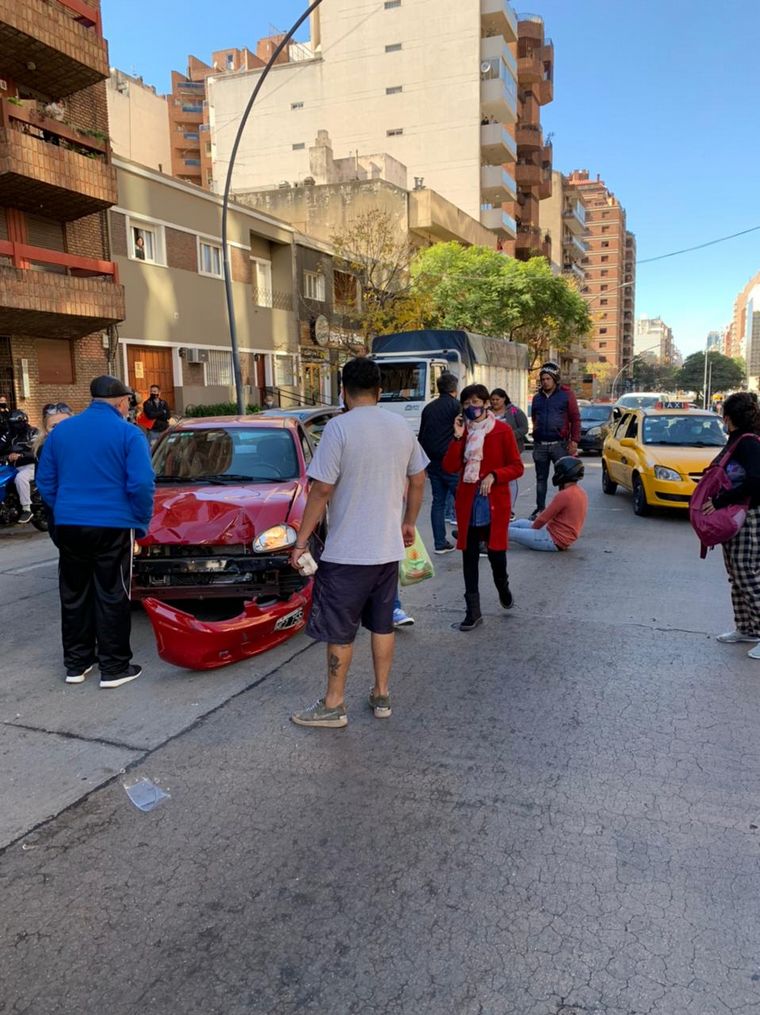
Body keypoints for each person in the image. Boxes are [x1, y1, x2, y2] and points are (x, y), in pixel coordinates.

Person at [289, 357, 428, 729]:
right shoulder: (400, 427)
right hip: (387, 551)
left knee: (340, 630)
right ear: (379, 391)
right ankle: (381, 694)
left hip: (347, 552)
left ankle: (334, 704)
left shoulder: (338, 429)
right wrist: (409, 522)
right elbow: (418, 479)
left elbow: (321, 490)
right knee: (383, 625)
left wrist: (300, 542)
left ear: (343, 391)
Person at [36, 376, 155, 688]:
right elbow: (142, 484)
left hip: (70, 524)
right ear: (119, 401)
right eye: (129, 401)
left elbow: (46, 482)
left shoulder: (62, 434)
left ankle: (77, 663)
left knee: (74, 593)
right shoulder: (129, 433)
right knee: (112, 593)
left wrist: (64, 508)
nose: (130, 407)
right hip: (113, 525)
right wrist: (140, 521)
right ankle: (114, 667)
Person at [443, 384, 524, 631]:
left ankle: (503, 586)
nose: (471, 407)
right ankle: (473, 611)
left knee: (496, 554)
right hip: (469, 500)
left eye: (476, 402)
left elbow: (517, 466)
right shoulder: (463, 432)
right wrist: (457, 437)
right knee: (469, 555)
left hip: (493, 502)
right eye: (466, 404)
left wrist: (494, 475)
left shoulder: (502, 431)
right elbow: (448, 466)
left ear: (487, 403)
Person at [703, 392, 760, 656]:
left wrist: (721, 499)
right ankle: (746, 626)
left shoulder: (749, 443)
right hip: (736, 515)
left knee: (747, 573)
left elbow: (754, 482)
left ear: (727, 418)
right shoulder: (739, 440)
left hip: (746, 515)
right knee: (736, 574)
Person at [530, 361, 581, 520]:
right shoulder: (537, 398)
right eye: (543, 379)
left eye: (548, 379)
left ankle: (563, 511)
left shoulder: (566, 395)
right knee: (540, 479)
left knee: (564, 479)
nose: (545, 382)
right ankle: (540, 509)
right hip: (540, 446)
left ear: (555, 379)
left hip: (560, 445)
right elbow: (534, 418)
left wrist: (575, 441)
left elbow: (575, 419)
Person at [418, 372, 460, 554]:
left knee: (438, 501)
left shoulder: (429, 408)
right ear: (454, 388)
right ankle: (472, 538)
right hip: (451, 460)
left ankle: (440, 542)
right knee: (463, 499)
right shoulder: (455, 406)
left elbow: (422, 435)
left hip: (432, 461)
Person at [509, 457, 587, 551]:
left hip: (554, 539)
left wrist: (533, 530)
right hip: (559, 534)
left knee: (510, 532)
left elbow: (543, 518)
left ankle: (489, 535)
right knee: (521, 522)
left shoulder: (565, 495)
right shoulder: (581, 492)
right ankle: (494, 528)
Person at [491, 388, 529, 519]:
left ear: (504, 399)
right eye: (493, 400)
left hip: (511, 450)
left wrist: (510, 436)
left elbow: (524, 428)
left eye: (498, 399)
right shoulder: (487, 412)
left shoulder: (514, 411)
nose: (495, 402)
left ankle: (510, 509)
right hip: (493, 452)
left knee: (511, 479)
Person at [4, 410, 38, 524]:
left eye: (16, 423)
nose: (14, 426)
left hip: (31, 466)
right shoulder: (9, 435)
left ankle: (26, 509)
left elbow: (37, 450)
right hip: (13, 468)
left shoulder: (33, 432)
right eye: (11, 423)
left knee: (20, 478)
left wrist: (22, 454)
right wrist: (6, 456)